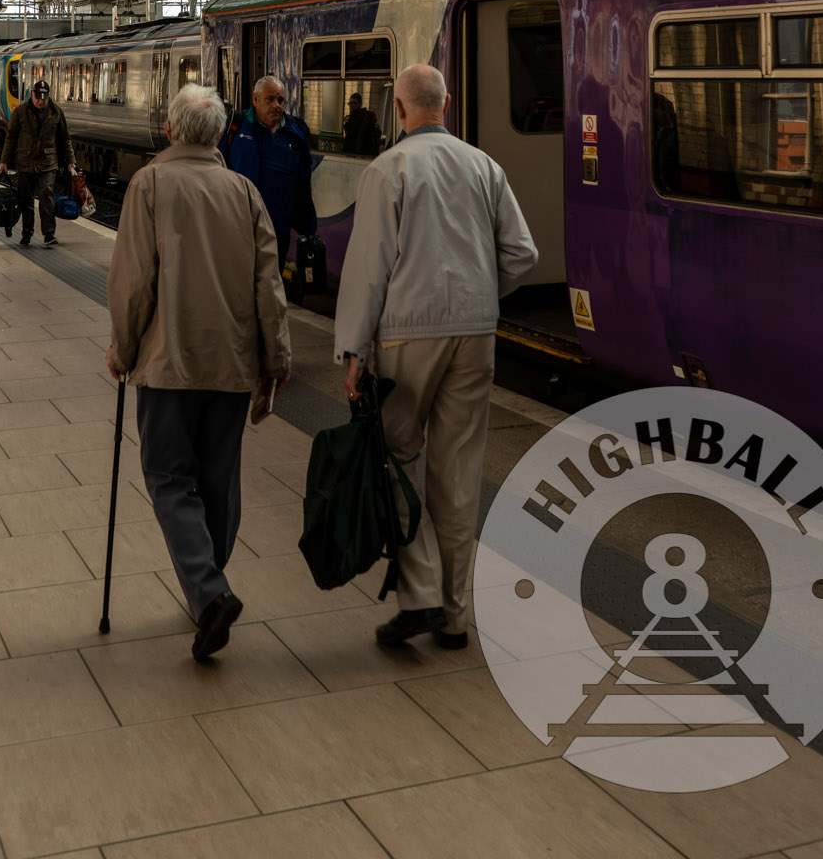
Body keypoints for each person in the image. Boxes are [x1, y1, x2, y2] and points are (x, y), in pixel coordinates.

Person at [335, 61, 537, 651]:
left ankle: (419, 595)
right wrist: (479, 293)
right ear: (444, 106)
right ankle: (454, 616)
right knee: (459, 474)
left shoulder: (388, 169)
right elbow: (521, 253)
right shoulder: (484, 166)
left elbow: (369, 270)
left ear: (398, 110)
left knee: (396, 460)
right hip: (476, 334)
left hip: (406, 334)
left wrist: (353, 349)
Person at [107, 83, 290, 661]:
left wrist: (122, 349)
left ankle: (210, 593)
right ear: (220, 134)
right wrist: (275, 361)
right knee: (219, 480)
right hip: (231, 363)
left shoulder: (150, 184)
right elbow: (270, 286)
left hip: (168, 364)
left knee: (167, 476)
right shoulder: (244, 191)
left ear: (168, 129)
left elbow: (134, 281)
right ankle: (208, 586)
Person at [222, 76, 317, 272]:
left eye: (281, 100)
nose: (276, 105)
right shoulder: (237, 127)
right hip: (241, 226)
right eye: (270, 99)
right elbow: (216, 166)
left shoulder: (296, 132)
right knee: (241, 281)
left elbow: (304, 177)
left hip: (278, 228)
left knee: (272, 281)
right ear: (255, 99)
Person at [0, 77, 80, 249]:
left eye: (44, 98)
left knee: (46, 195)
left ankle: (49, 233)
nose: (41, 102)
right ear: (32, 95)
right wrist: (4, 161)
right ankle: (27, 233)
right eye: (38, 98)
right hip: (25, 162)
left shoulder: (56, 112)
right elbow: (11, 138)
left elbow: (65, 138)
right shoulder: (20, 111)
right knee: (25, 199)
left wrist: (70, 161)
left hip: (48, 162)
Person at [342, 92, 381, 159]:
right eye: (350, 103)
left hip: (359, 153)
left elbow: (353, 136)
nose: (351, 106)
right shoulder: (353, 117)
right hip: (356, 153)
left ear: (359, 104)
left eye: (354, 103)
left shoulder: (361, 117)